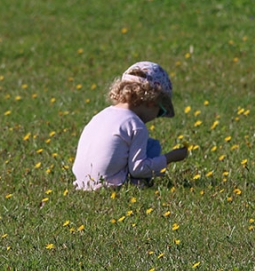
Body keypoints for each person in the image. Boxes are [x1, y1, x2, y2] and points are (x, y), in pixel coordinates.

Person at [73, 61, 189, 190]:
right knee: (153, 146)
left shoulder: (99, 116)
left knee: (146, 144)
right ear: (152, 102)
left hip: (82, 184)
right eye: (161, 111)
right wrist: (169, 158)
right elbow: (138, 169)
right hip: (108, 186)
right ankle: (140, 184)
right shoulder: (135, 125)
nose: (157, 116)